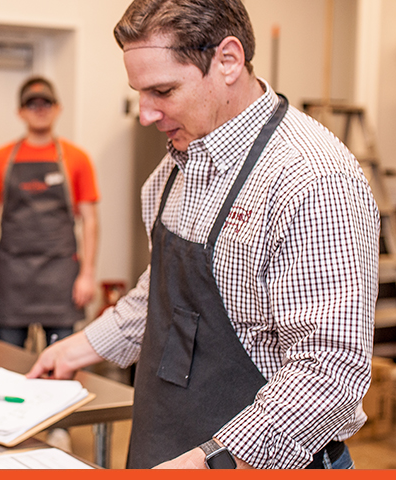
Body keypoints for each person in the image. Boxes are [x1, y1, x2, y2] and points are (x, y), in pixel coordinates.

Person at [28, 0, 378, 470]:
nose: (146, 114)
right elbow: (162, 299)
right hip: (166, 442)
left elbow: (329, 370)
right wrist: (78, 349)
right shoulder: (175, 167)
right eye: (139, 92)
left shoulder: (310, 178)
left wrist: (212, 460)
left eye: (163, 91)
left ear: (228, 61)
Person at [0, 76, 100, 348]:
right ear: (20, 112)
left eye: (46, 103)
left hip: (60, 275)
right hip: (12, 275)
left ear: (58, 109)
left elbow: (90, 221)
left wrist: (87, 274)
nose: (40, 110)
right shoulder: (0, 158)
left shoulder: (76, 159)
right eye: (32, 105)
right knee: (9, 363)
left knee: (61, 365)